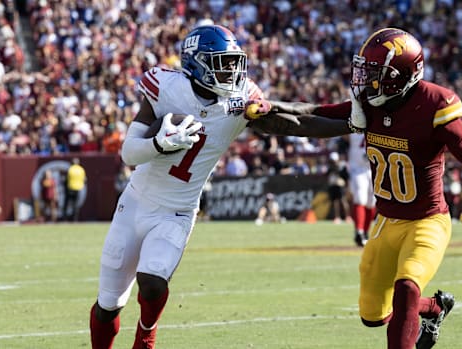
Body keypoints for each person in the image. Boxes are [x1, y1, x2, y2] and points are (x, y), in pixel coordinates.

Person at [88, 24, 351, 349]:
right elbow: (129, 152)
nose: (232, 70)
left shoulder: (241, 100)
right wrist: (159, 143)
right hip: (136, 204)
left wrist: (350, 124)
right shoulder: (166, 86)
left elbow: (297, 120)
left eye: (233, 61)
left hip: (178, 211)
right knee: (108, 304)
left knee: (153, 280)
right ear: (197, 63)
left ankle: (146, 336)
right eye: (222, 62)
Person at [263, 27, 462, 349]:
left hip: (427, 222)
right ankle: (435, 307)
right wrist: (264, 109)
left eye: (375, 73)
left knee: (407, 288)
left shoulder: (433, 105)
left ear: (401, 76)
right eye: (366, 71)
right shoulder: (372, 103)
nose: (365, 80)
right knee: (373, 315)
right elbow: (311, 116)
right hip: (385, 222)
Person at [346, 133, 376, 247]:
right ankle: (359, 231)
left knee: (371, 202)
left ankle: (365, 232)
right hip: (358, 168)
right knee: (360, 198)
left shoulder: (376, 125)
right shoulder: (353, 129)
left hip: (374, 168)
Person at [326, 151, 351, 224]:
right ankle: (337, 217)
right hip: (333, 185)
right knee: (335, 202)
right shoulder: (330, 167)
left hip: (340, 185)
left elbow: (345, 177)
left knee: (343, 201)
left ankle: (348, 217)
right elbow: (327, 175)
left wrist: (347, 186)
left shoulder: (342, 166)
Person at [64, 157, 86, 221]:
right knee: (76, 205)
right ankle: (75, 219)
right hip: (78, 188)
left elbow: (66, 179)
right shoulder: (81, 169)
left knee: (67, 204)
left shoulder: (70, 169)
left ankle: (65, 218)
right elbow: (84, 179)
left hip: (70, 188)